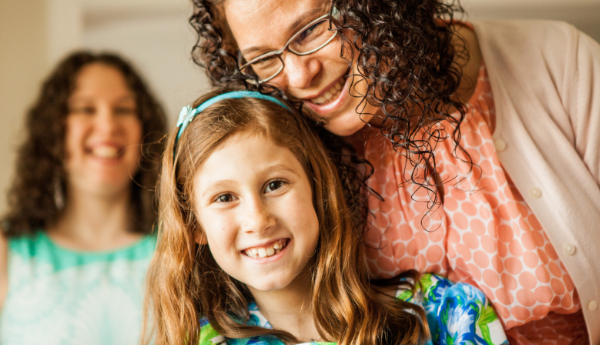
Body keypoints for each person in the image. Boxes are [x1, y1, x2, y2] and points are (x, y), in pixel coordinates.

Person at [188, 1, 600, 344]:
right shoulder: (292, 159)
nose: (298, 77)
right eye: (263, 59)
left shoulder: (560, 62)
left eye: (312, 30)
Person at [144, 89, 508, 345]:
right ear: (194, 227)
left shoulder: (445, 315)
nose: (257, 219)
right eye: (225, 197)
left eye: (274, 185)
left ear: (317, 187)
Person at [0, 51, 167, 344]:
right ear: (53, 131)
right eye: (85, 109)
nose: (107, 125)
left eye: (124, 109)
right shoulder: (8, 253)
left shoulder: (180, 250)